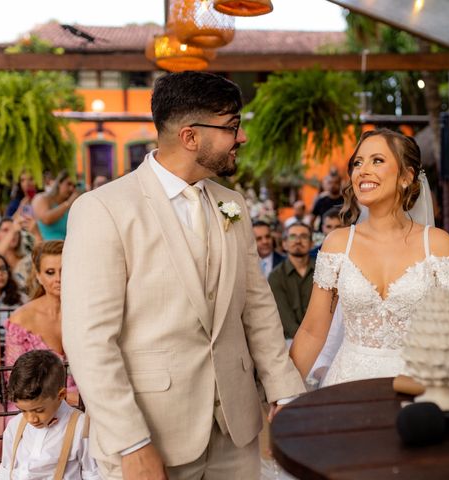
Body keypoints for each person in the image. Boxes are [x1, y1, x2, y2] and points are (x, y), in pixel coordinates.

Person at [61, 71, 305, 479]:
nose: (241, 138)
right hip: (153, 434)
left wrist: (285, 389)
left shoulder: (234, 205)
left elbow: (257, 307)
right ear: (190, 137)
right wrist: (131, 441)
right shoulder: (103, 209)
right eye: (231, 127)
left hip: (237, 430)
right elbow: (89, 340)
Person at [290, 128, 449, 386]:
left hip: (419, 386)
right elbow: (313, 331)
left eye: (377, 160)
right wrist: (284, 388)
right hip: (347, 384)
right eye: (358, 163)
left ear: (406, 176)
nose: (363, 170)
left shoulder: (437, 244)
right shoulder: (338, 243)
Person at [0, 350, 100, 479]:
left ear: (60, 395)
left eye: (39, 410)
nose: (31, 418)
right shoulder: (15, 426)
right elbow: (6, 470)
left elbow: (92, 474)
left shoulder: (81, 427)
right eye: (23, 411)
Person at [4, 240, 77, 406]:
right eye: (50, 272)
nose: (59, 278)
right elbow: (13, 378)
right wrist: (66, 398)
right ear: (38, 275)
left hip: (85, 401)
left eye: (64, 271)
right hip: (35, 404)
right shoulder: (21, 319)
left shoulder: (87, 312)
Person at [268, 222, 316, 340]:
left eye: (304, 236)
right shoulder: (276, 276)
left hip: (324, 339)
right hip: (290, 341)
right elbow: (286, 319)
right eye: (293, 236)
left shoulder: (323, 270)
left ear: (312, 244)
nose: (298, 241)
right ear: (284, 244)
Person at [0, 216, 40, 293]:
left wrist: (36, 232)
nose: (14, 233)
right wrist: (12, 230)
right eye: (5, 230)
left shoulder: (27, 260)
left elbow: (42, 257)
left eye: (17, 231)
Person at [32, 170, 79, 241]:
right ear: (59, 183)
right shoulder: (42, 198)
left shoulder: (73, 205)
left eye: (74, 186)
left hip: (65, 248)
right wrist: (68, 203)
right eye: (68, 184)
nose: (71, 188)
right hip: (46, 248)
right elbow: (46, 219)